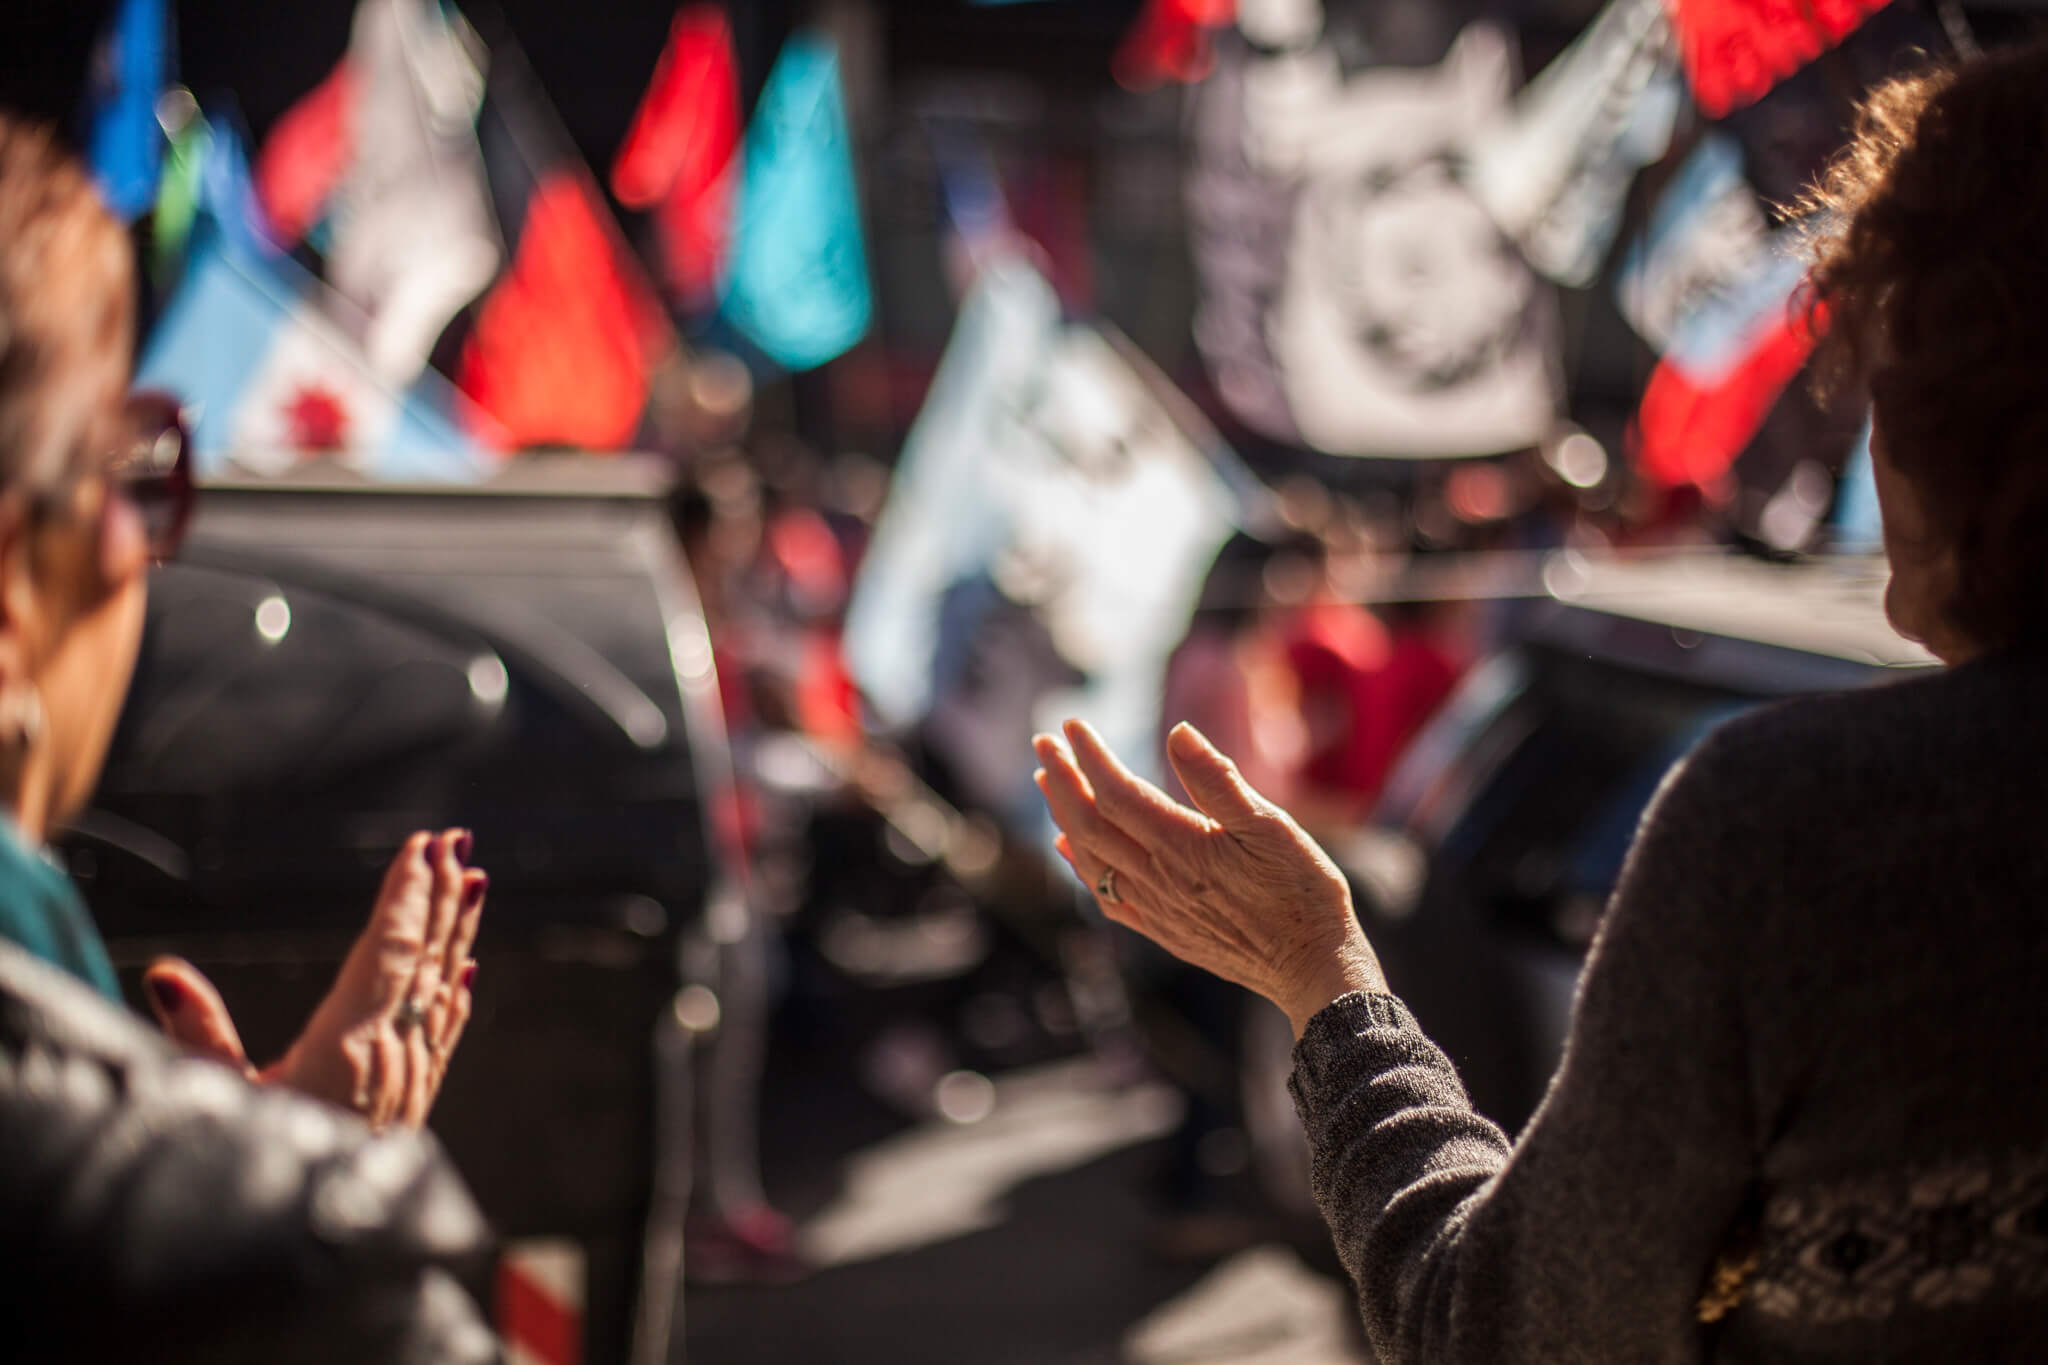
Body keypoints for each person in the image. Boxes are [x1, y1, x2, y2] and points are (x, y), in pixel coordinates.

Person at [1036, 44, 2048, 1364]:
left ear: (1948, 419)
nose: (1866, 433)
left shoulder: (1799, 829)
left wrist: (1322, 976)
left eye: (1880, 380)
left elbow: (1501, 1326)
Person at [0, 115, 494, 1348]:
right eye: (135, 471)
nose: (151, 552)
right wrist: (268, 1227)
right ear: (12, 580)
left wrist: (218, 1163)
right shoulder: (276, 1240)